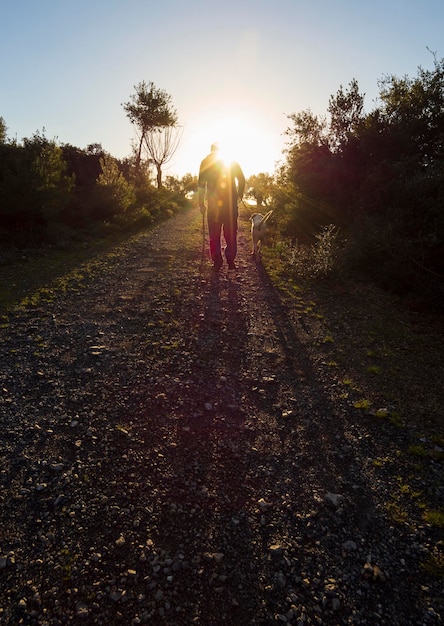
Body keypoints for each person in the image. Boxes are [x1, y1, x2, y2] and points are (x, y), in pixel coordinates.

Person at [198, 143, 245, 270]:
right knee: (230, 233)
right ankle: (230, 260)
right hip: (230, 204)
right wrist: (239, 195)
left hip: (214, 205)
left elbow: (201, 184)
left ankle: (217, 262)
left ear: (211, 150)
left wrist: (201, 203)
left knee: (214, 234)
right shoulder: (232, 162)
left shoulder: (205, 162)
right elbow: (242, 179)